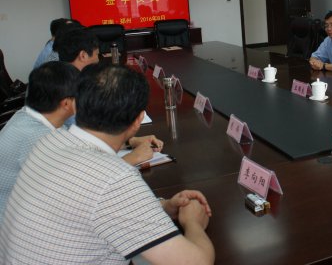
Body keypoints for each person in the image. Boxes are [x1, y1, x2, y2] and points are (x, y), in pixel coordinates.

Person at [0, 63, 215, 264]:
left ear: (76, 105)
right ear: (138, 120)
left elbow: (97, 210)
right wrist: (193, 223)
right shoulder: (113, 179)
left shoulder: (50, 141)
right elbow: (196, 261)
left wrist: (165, 207)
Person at [0, 62, 162, 221]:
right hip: (17, 221)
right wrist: (133, 157)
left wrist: (129, 141)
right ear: (66, 103)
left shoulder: (30, 117)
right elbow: (84, 186)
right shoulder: (39, 137)